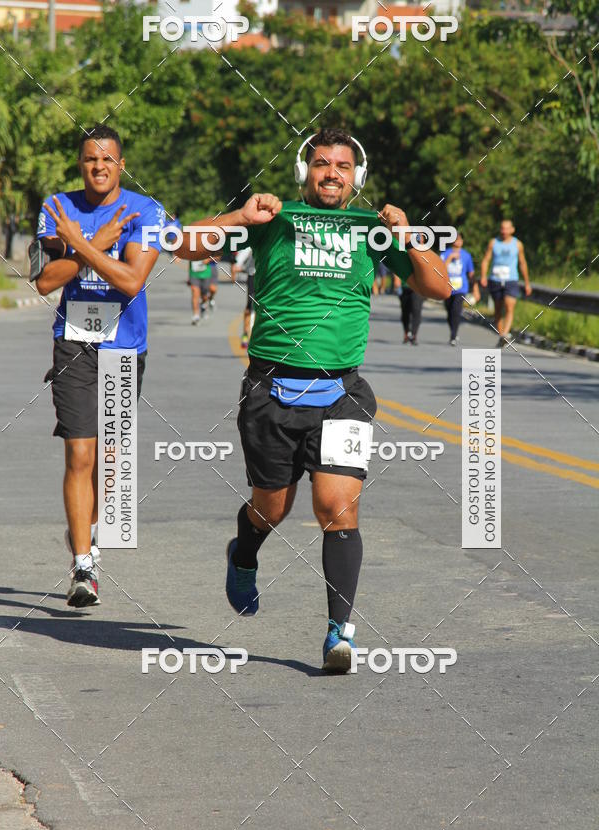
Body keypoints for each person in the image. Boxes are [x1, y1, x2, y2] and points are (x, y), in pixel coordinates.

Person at [176, 127, 450, 672]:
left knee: (337, 507)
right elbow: (183, 245)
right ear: (305, 171)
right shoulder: (273, 219)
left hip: (341, 393)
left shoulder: (373, 230)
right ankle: (244, 552)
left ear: (357, 177)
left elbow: (440, 288)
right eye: (322, 164)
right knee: (271, 507)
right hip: (271, 389)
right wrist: (239, 216)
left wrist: (409, 237)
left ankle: (338, 634)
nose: (331, 174)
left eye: (342, 166)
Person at [34, 123, 164, 608]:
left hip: (124, 346)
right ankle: (83, 566)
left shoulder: (144, 210)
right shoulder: (57, 207)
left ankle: (85, 530)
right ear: (80, 163)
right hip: (74, 342)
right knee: (80, 454)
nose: (98, 167)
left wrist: (83, 245)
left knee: (110, 463)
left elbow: (131, 280)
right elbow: (45, 281)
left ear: (121, 165)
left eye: (107, 159)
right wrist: (95, 244)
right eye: (90, 159)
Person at [480, 219, 531, 347]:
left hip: (511, 279)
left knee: (509, 305)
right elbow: (486, 260)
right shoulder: (493, 243)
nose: (504, 231)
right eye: (502, 228)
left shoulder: (517, 244)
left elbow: (522, 263)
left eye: (507, 228)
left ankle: (505, 334)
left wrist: (527, 282)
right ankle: (502, 334)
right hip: (495, 279)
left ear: (512, 230)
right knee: (498, 309)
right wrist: (483, 276)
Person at [441, 232, 479, 345]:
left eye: (459, 239)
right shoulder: (445, 254)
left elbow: (471, 273)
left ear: (462, 242)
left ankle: (453, 336)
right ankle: (453, 331)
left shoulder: (466, 255)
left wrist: (475, 289)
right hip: (447, 288)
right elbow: (440, 269)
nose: (458, 242)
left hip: (461, 288)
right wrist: (450, 258)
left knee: (456, 310)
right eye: (455, 239)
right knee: (449, 312)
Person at [235, 245, 255, 349]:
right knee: (249, 306)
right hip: (253, 275)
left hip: (268, 277)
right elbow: (245, 251)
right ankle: (245, 334)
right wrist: (238, 263)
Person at [395, 275, 424, 345]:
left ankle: (413, 335)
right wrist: (396, 279)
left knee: (416, 310)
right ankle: (407, 332)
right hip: (405, 286)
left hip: (418, 287)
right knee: (405, 312)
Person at [188, 258, 212, 323]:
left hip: (206, 274)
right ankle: (196, 315)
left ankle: (203, 305)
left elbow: (217, 256)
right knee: (195, 293)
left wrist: (209, 259)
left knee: (204, 296)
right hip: (194, 274)